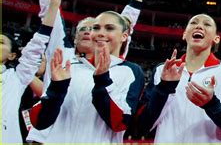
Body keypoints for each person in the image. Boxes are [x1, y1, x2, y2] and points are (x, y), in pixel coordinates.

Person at [27, 0, 144, 143]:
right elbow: (50, 17)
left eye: (97, 28)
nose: (92, 33)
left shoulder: (126, 70)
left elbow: (123, 26)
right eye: (87, 29)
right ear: (74, 36)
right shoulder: (64, 59)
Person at [29, 10, 145, 142]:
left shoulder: (131, 72)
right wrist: (56, 88)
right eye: (96, 28)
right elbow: (39, 122)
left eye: (109, 28)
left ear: (124, 36)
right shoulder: (70, 68)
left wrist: (102, 79)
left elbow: (119, 123)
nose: (100, 33)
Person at [138, 14, 221, 143]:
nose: (199, 26)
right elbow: (142, 126)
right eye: (194, 23)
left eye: (207, 24)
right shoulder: (163, 70)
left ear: (216, 39)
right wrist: (164, 88)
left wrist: (211, 104)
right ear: (184, 34)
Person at [2, 0, 64, 143]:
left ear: (12, 55)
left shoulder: (17, 76)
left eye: (1, 42)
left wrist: (54, 4)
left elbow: (40, 39)